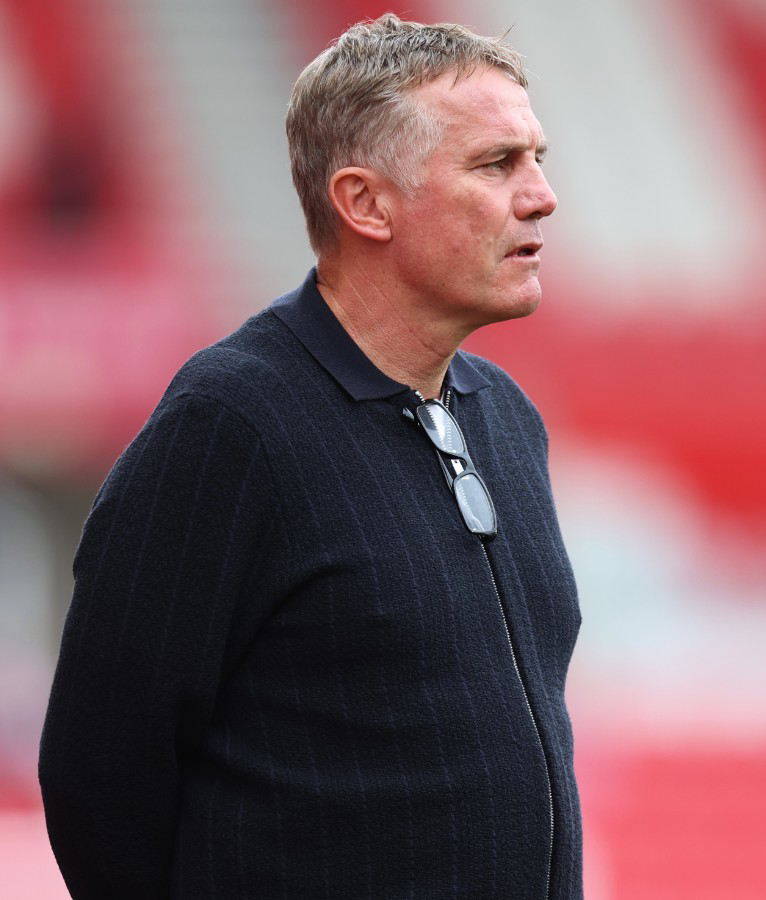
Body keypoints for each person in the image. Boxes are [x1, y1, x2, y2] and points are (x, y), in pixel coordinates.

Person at [38, 15, 583, 898]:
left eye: (537, 156)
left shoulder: (508, 418)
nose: (542, 195)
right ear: (366, 204)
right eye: (497, 164)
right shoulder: (231, 425)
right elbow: (99, 770)